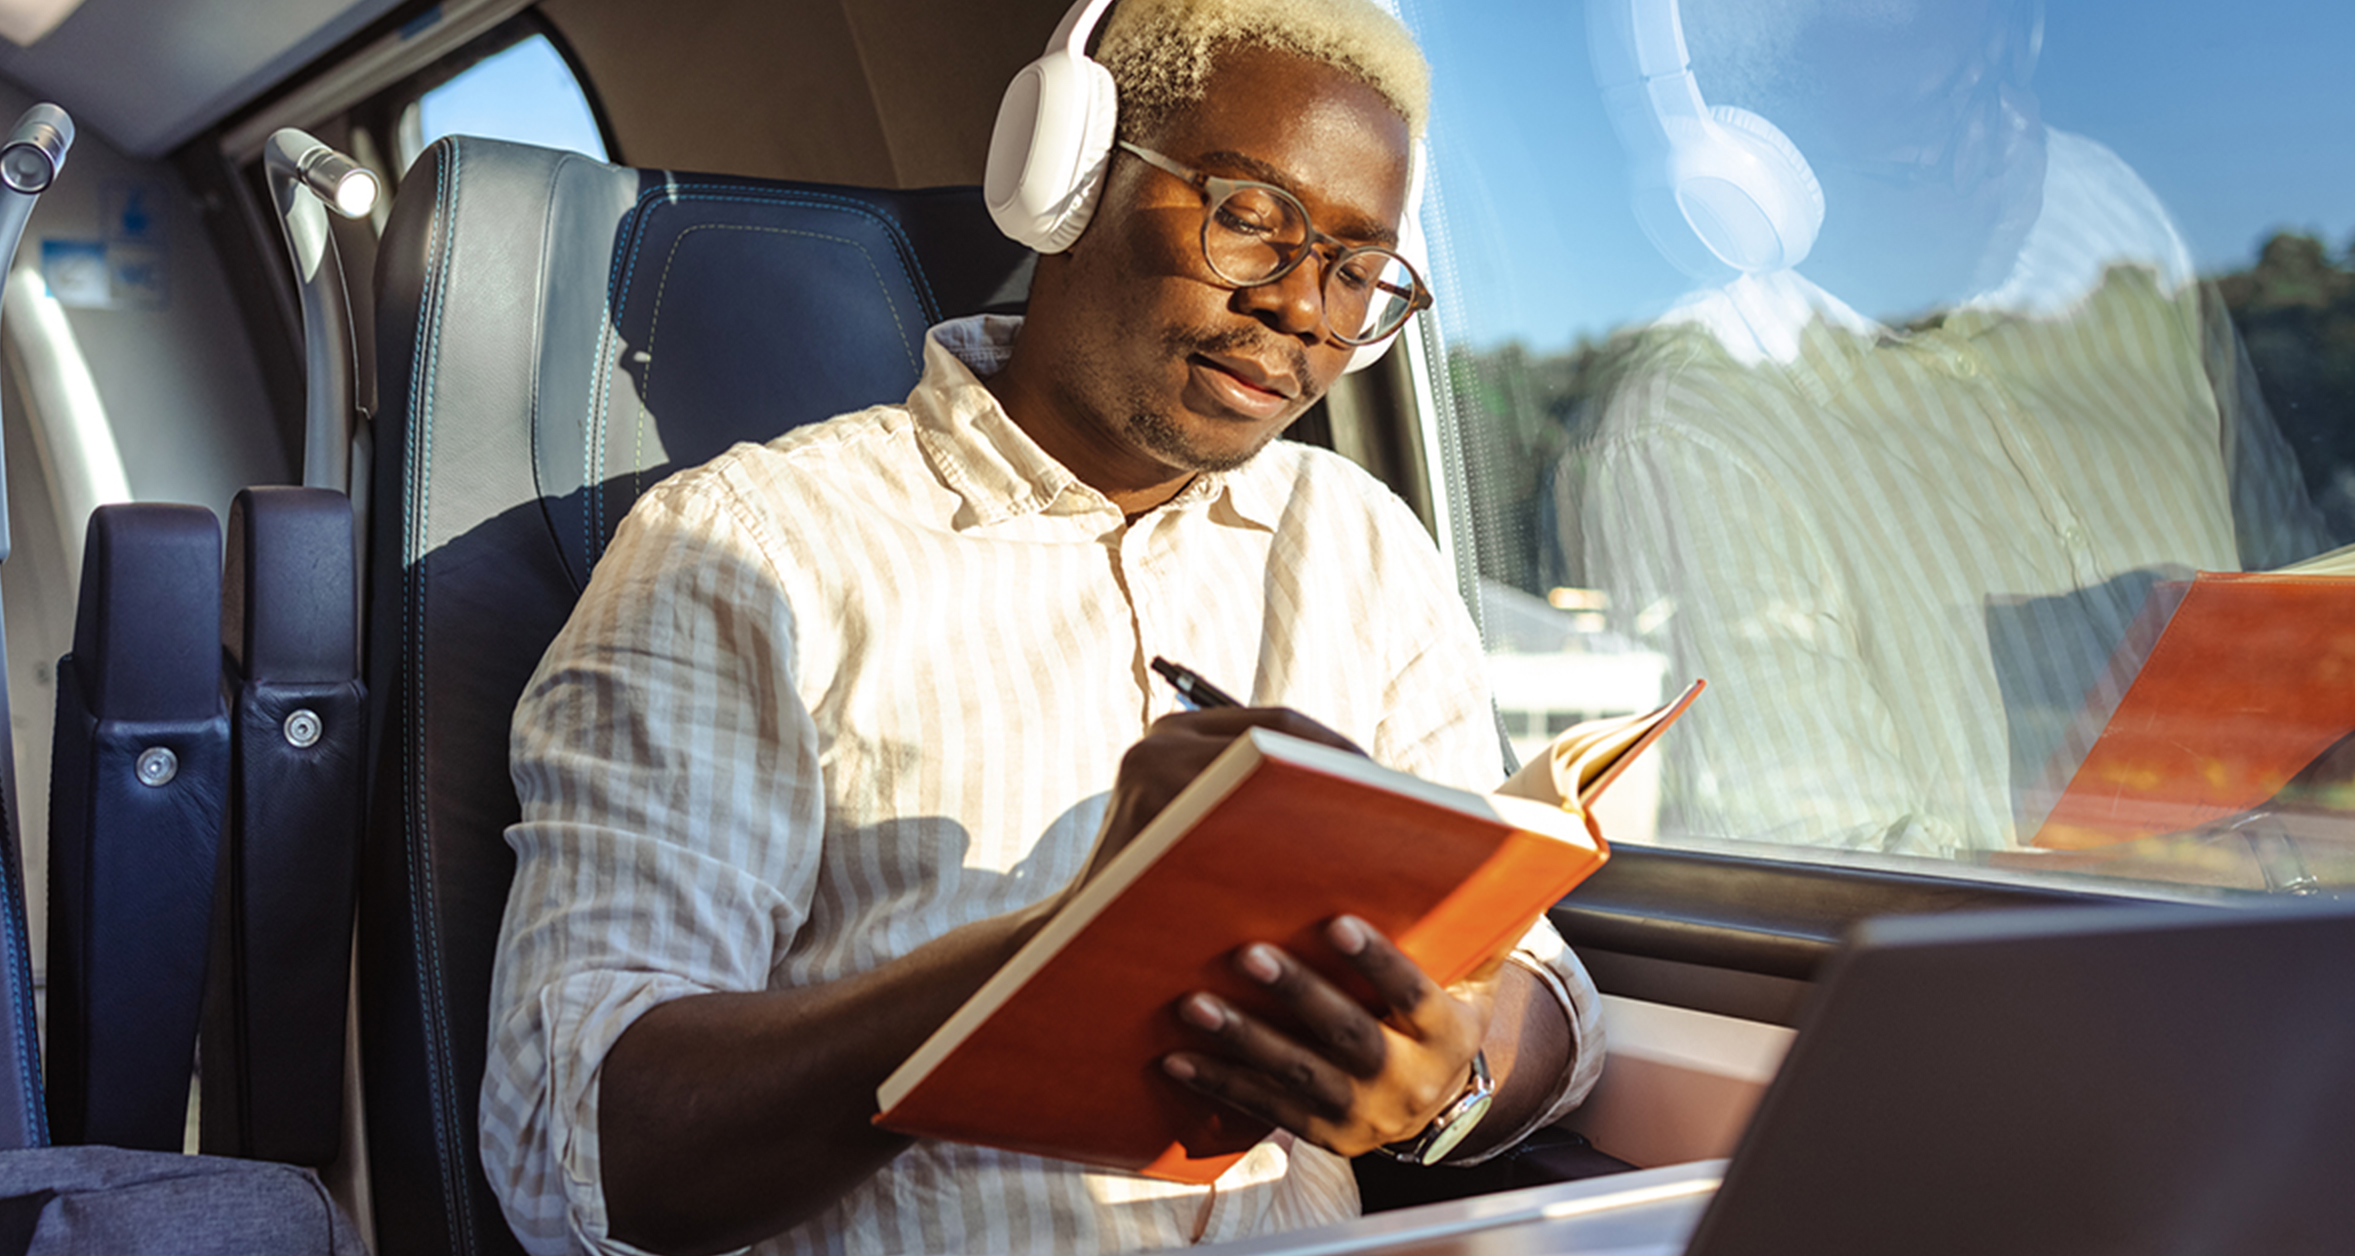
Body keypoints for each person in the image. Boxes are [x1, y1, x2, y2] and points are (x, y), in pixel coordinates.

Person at [480, 2, 1607, 1253]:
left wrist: (1447, 1074)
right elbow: (580, 1147)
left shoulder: (1363, 547)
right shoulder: (747, 552)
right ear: (1067, 178)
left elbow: (1546, 989)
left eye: (1357, 270)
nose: (1306, 310)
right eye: (1252, 220)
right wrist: (1059, 953)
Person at [1555, 0, 2329, 856]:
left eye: (2008, 72)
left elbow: (2303, 575)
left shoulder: (2111, 223)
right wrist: (2240, 871)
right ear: (1753, 179)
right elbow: (1837, 890)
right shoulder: (1689, 448)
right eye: (1948, 116)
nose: (2015, 131)